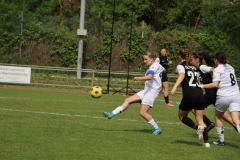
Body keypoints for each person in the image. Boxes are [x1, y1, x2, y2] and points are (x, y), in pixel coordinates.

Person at [102, 52, 166, 135]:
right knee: (128, 100)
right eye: (144, 59)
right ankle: (111, 114)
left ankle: (157, 128)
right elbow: (164, 70)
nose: (144, 61)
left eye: (146, 59)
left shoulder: (154, 66)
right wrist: (160, 82)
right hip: (147, 90)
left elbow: (150, 77)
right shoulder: (157, 65)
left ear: (151, 59)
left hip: (152, 91)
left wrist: (138, 78)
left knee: (143, 112)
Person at [198, 51, 240, 146]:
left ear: (216, 60)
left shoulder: (217, 70)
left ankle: (221, 141)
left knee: (217, 117)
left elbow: (215, 84)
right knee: (236, 119)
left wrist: (202, 86)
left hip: (224, 96)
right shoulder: (230, 67)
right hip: (236, 95)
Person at [171, 48, 210, 148]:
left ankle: (197, 128)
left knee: (182, 116)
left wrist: (175, 86)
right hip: (200, 94)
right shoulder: (193, 67)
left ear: (180, 56)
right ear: (188, 56)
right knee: (200, 120)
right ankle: (206, 143)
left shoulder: (181, 66)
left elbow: (182, 75)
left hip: (189, 95)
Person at [190, 53, 237, 133]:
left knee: (192, 107)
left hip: (210, 94)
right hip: (215, 94)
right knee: (227, 118)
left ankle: (209, 124)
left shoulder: (202, 67)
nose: (190, 62)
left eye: (191, 60)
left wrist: (218, 81)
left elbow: (214, 70)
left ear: (197, 60)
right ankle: (237, 128)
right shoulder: (197, 69)